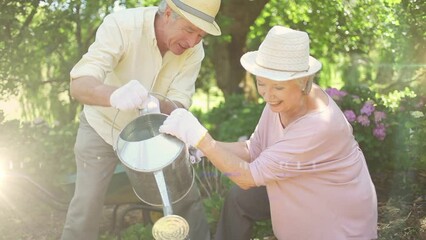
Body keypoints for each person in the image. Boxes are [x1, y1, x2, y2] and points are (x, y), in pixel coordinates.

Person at [159, 26, 378, 239]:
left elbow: (246, 177)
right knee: (241, 199)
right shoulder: (281, 102)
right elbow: (253, 148)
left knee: (244, 188)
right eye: (261, 83)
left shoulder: (319, 125)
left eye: (278, 87)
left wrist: (201, 137)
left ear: (303, 82)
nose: (268, 95)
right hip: (298, 187)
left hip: (335, 224)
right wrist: (200, 148)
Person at [61, 0, 221, 239]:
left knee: (186, 197)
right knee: (87, 204)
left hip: (157, 130)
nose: (192, 42)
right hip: (102, 127)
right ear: (168, 13)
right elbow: (79, 85)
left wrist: (160, 105)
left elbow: (180, 102)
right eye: (189, 30)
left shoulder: (194, 50)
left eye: (201, 35)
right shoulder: (122, 26)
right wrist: (114, 95)